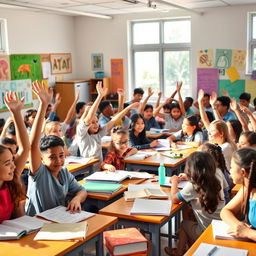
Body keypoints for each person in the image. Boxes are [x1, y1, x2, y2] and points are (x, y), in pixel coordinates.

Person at [25, 80, 88, 216]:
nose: (59, 161)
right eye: (52, 157)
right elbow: (32, 145)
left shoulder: (64, 173)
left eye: (61, 155)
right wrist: (43, 105)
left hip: (58, 219)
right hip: (37, 224)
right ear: (41, 159)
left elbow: (82, 190)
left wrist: (77, 199)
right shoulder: (39, 173)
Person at [165, 151, 225, 255]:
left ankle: (179, 252)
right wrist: (189, 177)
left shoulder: (193, 186)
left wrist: (174, 182)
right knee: (188, 212)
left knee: (184, 224)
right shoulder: (217, 174)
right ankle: (188, 248)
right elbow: (204, 177)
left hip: (206, 232)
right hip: (220, 226)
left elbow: (174, 198)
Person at [77, 81, 139, 171]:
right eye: (92, 122)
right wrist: (99, 97)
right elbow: (88, 118)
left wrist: (128, 108)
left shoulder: (98, 134)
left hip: (100, 171)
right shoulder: (82, 134)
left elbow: (114, 119)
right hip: (88, 172)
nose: (96, 124)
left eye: (97, 121)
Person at [0, 91, 30, 223]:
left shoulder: (11, 181)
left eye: (12, 160)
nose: (13, 166)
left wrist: (17, 113)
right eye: (7, 163)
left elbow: (25, 148)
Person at [220, 148, 256, 241]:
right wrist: (238, 225)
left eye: (231, 167)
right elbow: (226, 211)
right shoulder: (246, 189)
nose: (229, 171)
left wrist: (248, 233)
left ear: (243, 172)